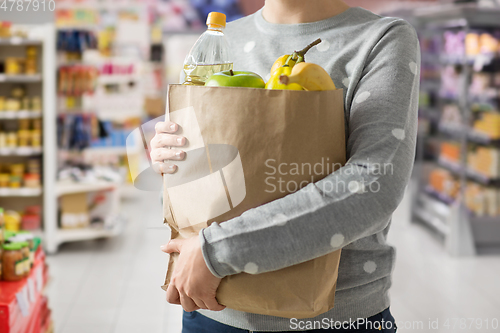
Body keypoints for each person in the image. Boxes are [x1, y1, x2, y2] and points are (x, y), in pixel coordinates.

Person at [150, 0, 420, 332]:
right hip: (209, 308)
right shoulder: (220, 39)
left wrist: (216, 251)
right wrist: (170, 151)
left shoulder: (381, 39)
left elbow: (373, 186)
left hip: (333, 319)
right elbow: (200, 168)